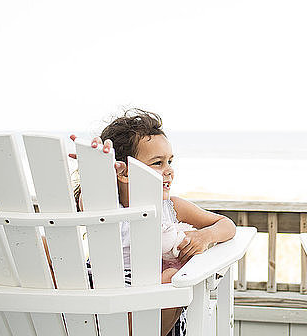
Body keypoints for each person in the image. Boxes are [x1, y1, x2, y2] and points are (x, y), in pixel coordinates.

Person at [71, 109, 236, 336]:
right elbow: (86, 202)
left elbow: (226, 225)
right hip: (106, 298)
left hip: (154, 303)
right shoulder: (104, 208)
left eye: (170, 161)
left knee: (172, 280)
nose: (169, 170)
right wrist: (95, 173)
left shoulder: (173, 207)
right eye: (158, 163)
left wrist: (205, 237)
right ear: (123, 173)